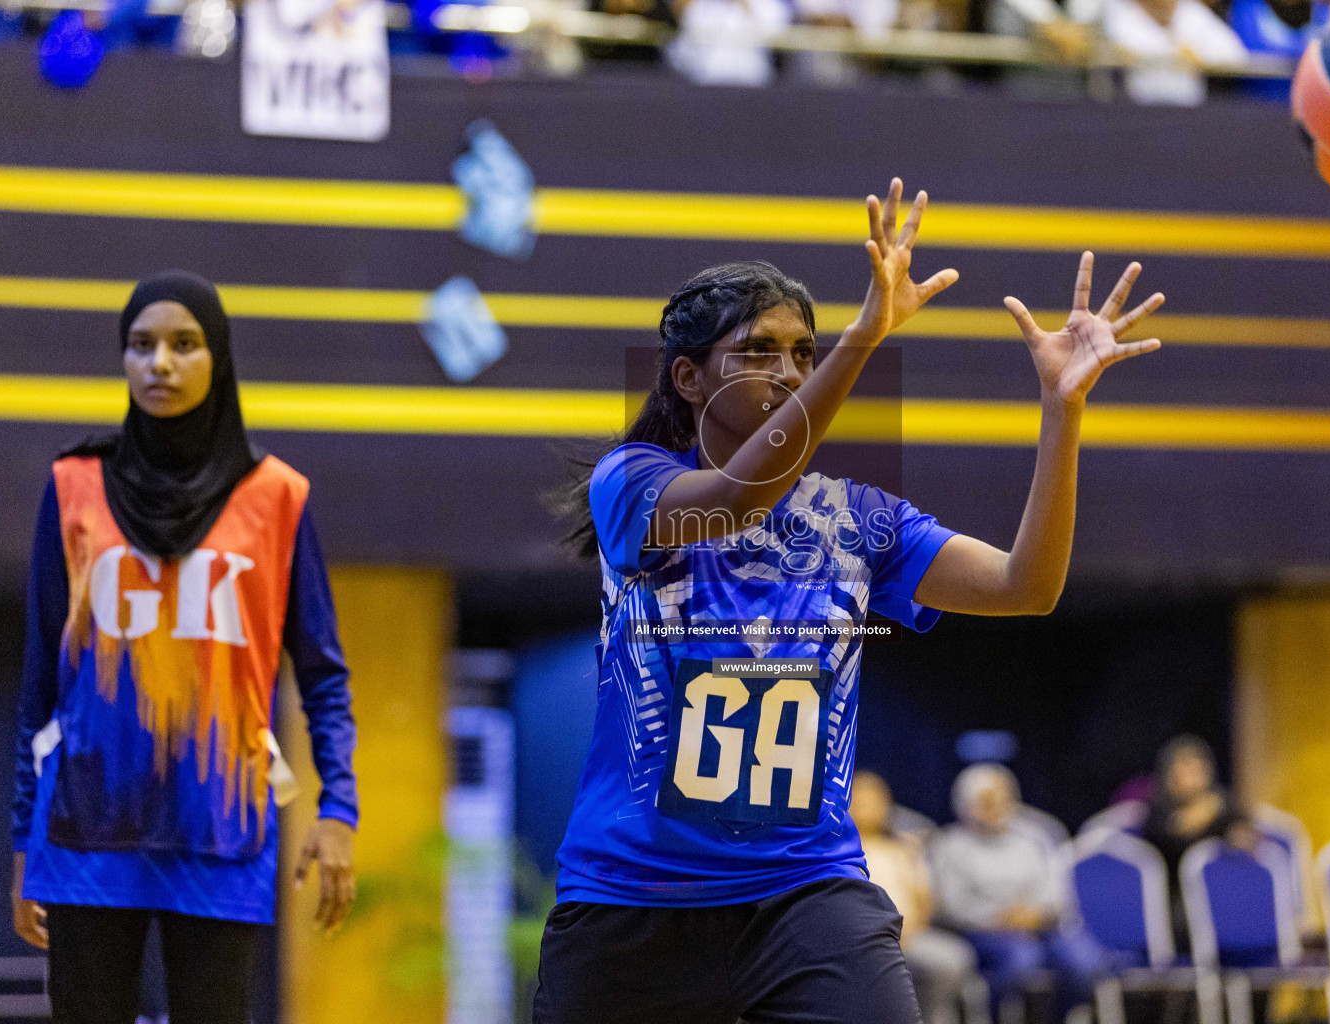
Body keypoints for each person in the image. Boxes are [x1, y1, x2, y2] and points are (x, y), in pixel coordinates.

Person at [537, 177, 1165, 1024]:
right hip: (631, 899)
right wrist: (865, 337)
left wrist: (1063, 411)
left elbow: (1028, 586)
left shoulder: (860, 519)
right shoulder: (633, 483)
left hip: (806, 894)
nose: (791, 371)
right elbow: (734, 499)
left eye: (804, 352)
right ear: (689, 378)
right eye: (760, 350)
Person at [9, 272, 359, 1024]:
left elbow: (323, 675)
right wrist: (20, 841)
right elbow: (42, 685)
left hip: (221, 832)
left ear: (219, 358)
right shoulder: (72, 487)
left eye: (183, 344)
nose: (159, 363)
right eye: (140, 346)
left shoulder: (276, 497)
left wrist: (339, 811)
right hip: (84, 837)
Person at [930, 764, 1102, 1024]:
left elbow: (1056, 891)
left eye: (1004, 798)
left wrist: (1035, 913)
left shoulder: (1035, 837)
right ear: (966, 804)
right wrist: (1000, 919)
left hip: (1040, 927)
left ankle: (1056, 1019)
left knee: (1085, 961)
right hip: (983, 933)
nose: (998, 806)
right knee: (1021, 958)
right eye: (987, 800)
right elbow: (951, 907)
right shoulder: (949, 846)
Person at [851, 771, 985, 1024]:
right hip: (866, 938)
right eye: (860, 802)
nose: (868, 810)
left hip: (911, 935)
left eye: (875, 802)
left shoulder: (903, 848)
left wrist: (912, 928)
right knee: (943, 963)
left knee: (958, 957)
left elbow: (926, 901)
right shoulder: (842, 853)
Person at [1140, 734, 1255, 949]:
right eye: (1185, 767)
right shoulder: (1156, 811)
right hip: (1175, 908)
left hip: (1225, 899)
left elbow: (1246, 833)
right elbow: (1165, 845)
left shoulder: (1221, 806)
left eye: (1198, 767)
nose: (1193, 775)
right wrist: (1194, 819)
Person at [1100, 0, 1248, 105]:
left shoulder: (1191, 11)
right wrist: (1176, 54)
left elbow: (1235, 54)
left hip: (1188, 115)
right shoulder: (1120, 11)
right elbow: (1122, 48)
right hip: (1136, 114)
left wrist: (1201, 57)